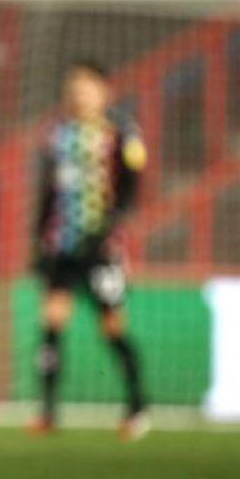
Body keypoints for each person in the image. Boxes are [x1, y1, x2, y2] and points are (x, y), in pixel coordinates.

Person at [30, 60, 150, 441]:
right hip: (62, 244)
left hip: (102, 246)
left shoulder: (121, 133)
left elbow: (131, 188)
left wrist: (110, 228)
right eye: (75, 87)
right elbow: (48, 190)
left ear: (103, 92)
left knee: (112, 326)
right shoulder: (58, 134)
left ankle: (137, 406)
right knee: (52, 321)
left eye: (87, 87)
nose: (79, 94)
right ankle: (48, 411)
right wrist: (39, 239)